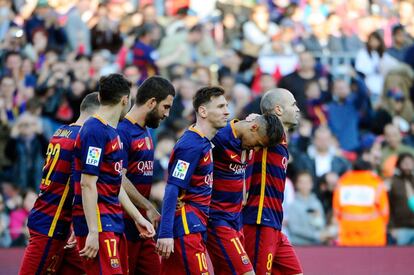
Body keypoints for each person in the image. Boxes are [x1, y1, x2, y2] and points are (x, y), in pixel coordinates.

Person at [72, 74, 155, 275]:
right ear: (125, 100)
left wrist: (138, 217)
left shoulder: (113, 132)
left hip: (113, 220)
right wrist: (93, 231)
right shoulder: (94, 130)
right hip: (99, 223)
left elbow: (114, 183)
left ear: (100, 97)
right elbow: (87, 184)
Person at [19, 92, 100, 275]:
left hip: (55, 219)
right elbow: (82, 185)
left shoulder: (61, 131)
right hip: (51, 223)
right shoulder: (83, 139)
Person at [156, 86, 229, 274]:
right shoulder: (191, 146)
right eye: (220, 106)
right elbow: (172, 188)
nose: (227, 111)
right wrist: (165, 233)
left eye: (226, 106)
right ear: (203, 111)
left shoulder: (203, 141)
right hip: (187, 228)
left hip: (193, 226)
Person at [207, 113, 284, 275]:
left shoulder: (245, 141)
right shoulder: (220, 138)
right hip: (217, 219)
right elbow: (191, 160)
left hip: (236, 220)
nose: (256, 149)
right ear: (254, 127)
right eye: (258, 144)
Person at [117, 76, 175, 275]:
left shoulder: (146, 132)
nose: (167, 114)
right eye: (165, 107)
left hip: (143, 226)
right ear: (151, 102)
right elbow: (119, 179)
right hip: (123, 225)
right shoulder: (123, 131)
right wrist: (148, 206)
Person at [243, 88, 303, 275]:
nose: (298, 109)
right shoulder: (268, 133)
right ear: (278, 110)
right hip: (260, 220)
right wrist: (254, 119)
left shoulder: (282, 139)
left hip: (274, 223)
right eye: (293, 104)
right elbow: (251, 126)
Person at [333, 160, 389, 246]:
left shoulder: (343, 182)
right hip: (373, 234)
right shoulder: (375, 182)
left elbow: (336, 210)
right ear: (369, 169)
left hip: (348, 234)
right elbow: (384, 211)